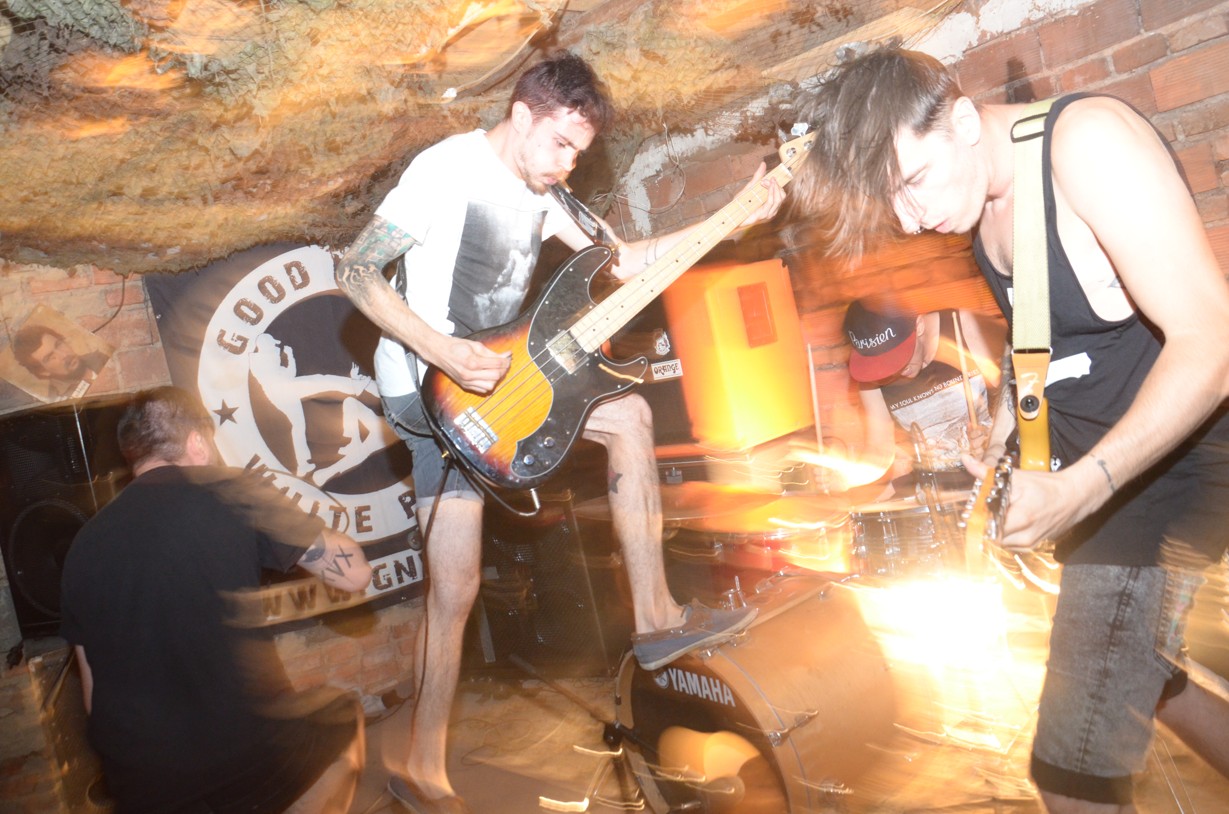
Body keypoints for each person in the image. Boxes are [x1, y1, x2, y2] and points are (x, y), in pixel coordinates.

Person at [335, 51, 781, 813]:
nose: (567, 164)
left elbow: (624, 262)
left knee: (630, 415)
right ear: (521, 115)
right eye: (561, 144)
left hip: (511, 378)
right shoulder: (445, 170)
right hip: (433, 394)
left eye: (579, 151)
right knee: (455, 590)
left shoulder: (548, 193)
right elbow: (356, 271)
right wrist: (442, 350)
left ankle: (655, 619)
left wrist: (729, 217)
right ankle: (420, 767)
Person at [789, 45, 1229, 813]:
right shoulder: (981, 203)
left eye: (913, 182)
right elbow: (1041, 343)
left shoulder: (1085, 145)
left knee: (1070, 774)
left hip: (1167, 485)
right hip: (1108, 491)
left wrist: (1083, 485)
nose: (910, 219)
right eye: (890, 204)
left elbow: (1212, 343)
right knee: (1149, 679)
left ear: (962, 120)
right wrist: (1000, 439)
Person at [59, 386, 373, 814]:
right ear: (198, 442)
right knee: (344, 714)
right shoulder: (232, 489)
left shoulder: (84, 544)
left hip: (137, 777)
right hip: (242, 756)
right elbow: (355, 576)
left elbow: (92, 693)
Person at [842, 297, 1003, 493]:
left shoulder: (961, 326)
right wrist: (845, 478)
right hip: (937, 491)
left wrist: (995, 441)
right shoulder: (871, 376)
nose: (897, 371)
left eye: (898, 358)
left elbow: (1017, 401)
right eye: (882, 366)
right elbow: (879, 451)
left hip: (996, 474)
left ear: (918, 326)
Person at [12, 323, 108, 399]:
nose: (64, 355)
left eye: (59, 345)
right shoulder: (61, 401)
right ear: (43, 372)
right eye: (51, 357)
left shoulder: (100, 356)